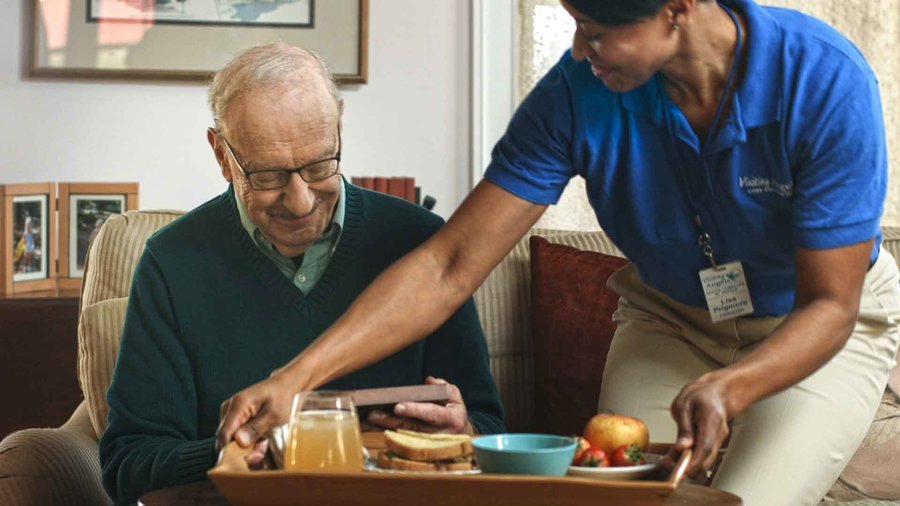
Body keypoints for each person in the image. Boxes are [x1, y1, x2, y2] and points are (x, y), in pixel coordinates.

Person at [217, 1, 900, 505]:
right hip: (670, 325)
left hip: (813, 331)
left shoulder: (826, 83)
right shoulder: (578, 93)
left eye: (597, 32)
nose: (578, 49)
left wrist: (732, 386)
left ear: (678, 10)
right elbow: (448, 265)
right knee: (619, 499)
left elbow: (830, 305)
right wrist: (297, 377)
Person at [98, 43, 504, 505]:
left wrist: (463, 431)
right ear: (222, 155)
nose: (300, 202)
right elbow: (126, 464)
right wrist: (226, 454)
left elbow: (491, 430)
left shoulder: (425, 246)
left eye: (318, 167)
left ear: (339, 128)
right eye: (268, 176)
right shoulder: (172, 262)